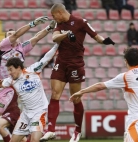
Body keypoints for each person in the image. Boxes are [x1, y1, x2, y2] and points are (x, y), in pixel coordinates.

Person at [40, 3, 115, 142]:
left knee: (76, 98)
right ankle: (50, 130)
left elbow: (96, 36)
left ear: (60, 12)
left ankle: (77, 131)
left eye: (53, 15)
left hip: (76, 64)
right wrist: (67, 34)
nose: (53, 18)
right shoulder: (59, 25)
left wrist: (105, 41)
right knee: (55, 94)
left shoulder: (81, 22)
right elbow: (54, 38)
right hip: (61, 63)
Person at [0, 16, 56, 142]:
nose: (12, 36)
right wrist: (33, 23)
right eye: (9, 34)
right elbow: (18, 33)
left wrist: (49, 28)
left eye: (13, 34)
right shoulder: (3, 46)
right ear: (5, 38)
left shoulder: (22, 48)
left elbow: (36, 38)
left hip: (9, 87)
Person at [70, 31, 138, 142]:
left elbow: (100, 86)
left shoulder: (126, 77)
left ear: (126, 61)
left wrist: (81, 91)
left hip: (135, 120)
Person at [0, 44, 59, 142]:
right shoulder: (10, 80)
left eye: (11, 69)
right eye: (8, 70)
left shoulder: (33, 70)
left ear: (19, 67)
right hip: (25, 114)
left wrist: (57, 45)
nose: (9, 73)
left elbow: (46, 58)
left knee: (34, 140)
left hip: (39, 112)